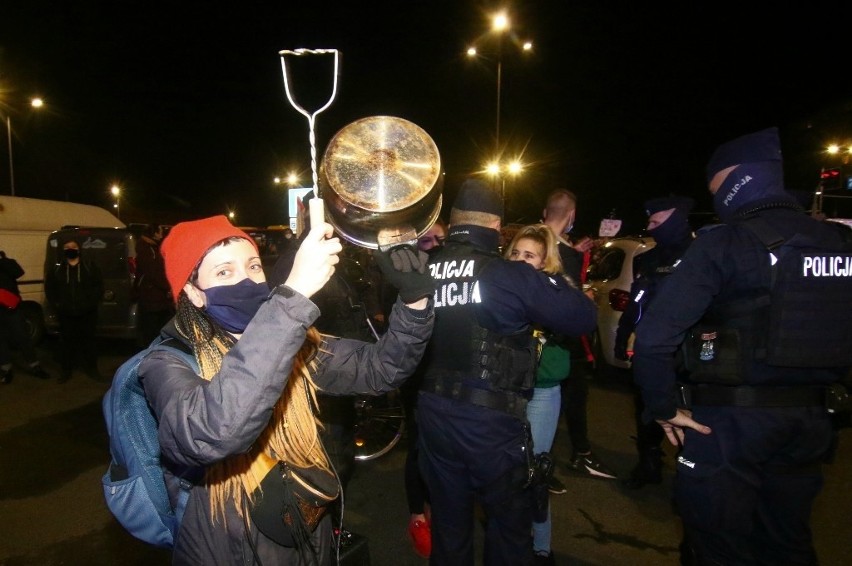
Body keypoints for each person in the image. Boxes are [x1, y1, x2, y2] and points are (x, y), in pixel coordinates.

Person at [137, 214, 434, 565]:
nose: (246, 280)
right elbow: (212, 432)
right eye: (223, 273)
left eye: (253, 266)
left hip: (303, 534)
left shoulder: (291, 342)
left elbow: (382, 368)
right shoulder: (165, 364)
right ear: (193, 292)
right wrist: (291, 299)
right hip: (227, 548)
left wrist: (415, 300)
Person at [632, 127, 852, 564]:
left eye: (715, 188)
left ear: (735, 182)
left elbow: (655, 338)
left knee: (717, 542)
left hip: (730, 424)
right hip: (811, 423)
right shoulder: (841, 243)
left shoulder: (723, 243)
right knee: (787, 541)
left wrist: (663, 408)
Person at [416, 179, 598, 565]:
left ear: (454, 220)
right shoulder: (507, 274)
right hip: (489, 420)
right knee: (509, 526)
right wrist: (549, 270)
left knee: (449, 526)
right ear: (497, 226)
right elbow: (582, 317)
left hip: (432, 414)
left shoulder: (425, 268)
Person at [613, 195, 695, 489]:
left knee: (689, 417)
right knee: (647, 410)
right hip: (650, 351)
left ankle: (690, 477)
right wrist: (623, 335)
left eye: (656, 221)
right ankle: (648, 465)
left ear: (676, 218)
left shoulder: (702, 256)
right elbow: (636, 302)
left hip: (690, 354)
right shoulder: (647, 260)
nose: (650, 227)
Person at [504, 223, 573, 566]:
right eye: (515, 252)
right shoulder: (501, 291)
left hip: (541, 394)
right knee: (505, 471)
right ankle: (511, 540)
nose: (518, 260)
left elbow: (561, 355)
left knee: (536, 472)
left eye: (528, 255)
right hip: (505, 394)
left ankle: (541, 549)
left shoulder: (556, 293)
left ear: (545, 262)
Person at [541, 189, 617, 481]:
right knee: (567, 396)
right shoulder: (561, 251)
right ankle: (567, 458)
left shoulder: (536, 243)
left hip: (539, 339)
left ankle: (563, 456)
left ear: (546, 212)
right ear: (571, 216)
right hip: (560, 341)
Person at [403, 216, 449, 558]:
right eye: (426, 241)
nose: (435, 248)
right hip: (417, 374)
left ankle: (438, 511)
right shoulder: (408, 276)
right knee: (419, 445)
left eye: (440, 241)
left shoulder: (450, 273)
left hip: (446, 374)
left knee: (443, 448)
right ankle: (418, 515)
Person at [44, 238, 105, 383]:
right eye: (67, 247)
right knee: (67, 343)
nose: (70, 249)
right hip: (66, 313)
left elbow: (98, 287)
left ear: (78, 249)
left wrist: (90, 303)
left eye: (73, 246)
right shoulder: (58, 268)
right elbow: (50, 288)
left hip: (87, 313)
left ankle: (92, 369)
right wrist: (58, 304)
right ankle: (66, 371)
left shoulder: (89, 266)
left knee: (89, 342)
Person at [0, 250, 51, 383]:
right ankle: (6, 369)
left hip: (12, 308)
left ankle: (34, 366)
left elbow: (19, 272)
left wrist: (2, 260)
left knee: (23, 337)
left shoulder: (7, 263)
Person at [135, 223, 175, 347]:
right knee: (151, 332)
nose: (162, 234)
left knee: (157, 329)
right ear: (153, 233)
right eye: (160, 231)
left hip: (157, 298)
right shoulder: (146, 249)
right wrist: (167, 287)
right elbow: (153, 272)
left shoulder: (153, 247)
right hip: (152, 298)